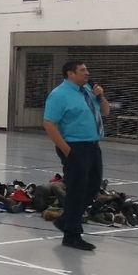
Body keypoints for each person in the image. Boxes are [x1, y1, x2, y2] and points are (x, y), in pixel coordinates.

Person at [43, 60, 109, 251]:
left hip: (92, 146)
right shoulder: (58, 95)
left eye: (86, 69)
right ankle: (71, 235)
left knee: (92, 187)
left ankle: (65, 220)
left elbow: (105, 112)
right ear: (70, 74)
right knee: (76, 190)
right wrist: (66, 150)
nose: (87, 73)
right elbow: (49, 123)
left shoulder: (87, 90)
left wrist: (101, 96)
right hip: (74, 147)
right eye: (82, 70)